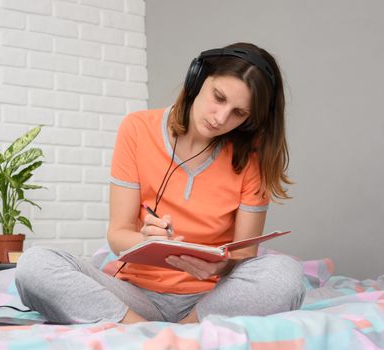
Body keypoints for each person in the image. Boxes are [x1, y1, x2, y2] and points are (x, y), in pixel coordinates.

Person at [15, 42, 306, 324]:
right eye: (218, 97)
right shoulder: (137, 128)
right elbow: (118, 235)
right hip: (134, 297)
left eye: (239, 113)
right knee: (34, 265)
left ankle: (177, 332)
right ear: (198, 79)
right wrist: (146, 241)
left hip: (210, 302)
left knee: (286, 274)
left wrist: (224, 264)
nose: (221, 118)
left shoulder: (252, 156)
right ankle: (141, 329)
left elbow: (244, 256)